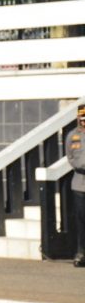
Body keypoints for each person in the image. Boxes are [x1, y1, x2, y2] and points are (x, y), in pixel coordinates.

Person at [67, 104, 85, 268]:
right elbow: (70, 157)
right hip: (79, 184)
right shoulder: (73, 136)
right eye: (81, 117)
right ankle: (81, 253)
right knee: (81, 221)